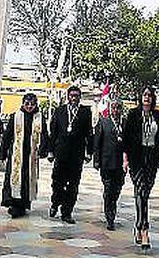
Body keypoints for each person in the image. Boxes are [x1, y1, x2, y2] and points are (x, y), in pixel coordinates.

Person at [121, 86, 159, 249]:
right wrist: (125, 159)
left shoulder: (158, 115)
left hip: (152, 158)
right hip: (136, 158)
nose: (147, 97)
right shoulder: (133, 114)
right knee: (141, 191)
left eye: (150, 95)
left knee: (144, 193)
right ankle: (144, 229)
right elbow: (126, 138)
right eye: (144, 95)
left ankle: (138, 225)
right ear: (140, 97)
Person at [0, 93, 50, 218]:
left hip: (31, 155)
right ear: (23, 103)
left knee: (27, 178)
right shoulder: (15, 116)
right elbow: (7, 135)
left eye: (32, 104)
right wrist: (3, 152)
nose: (29, 106)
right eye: (27, 103)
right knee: (14, 178)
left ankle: (23, 205)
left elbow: (44, 134)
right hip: (16, 154)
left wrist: (43, 149)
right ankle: (13, 204)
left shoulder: (39, 118)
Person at [47, 85, 93, 224]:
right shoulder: (60, 110)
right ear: (68, 97)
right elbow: (53, 132)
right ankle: (55, 203)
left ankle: (67, 212)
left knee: (73, 184)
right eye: (72, 95)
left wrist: (89, 152)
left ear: (80, 97)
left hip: (77, 154)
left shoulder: (85, 112)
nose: (74, 98)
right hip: (61, 153)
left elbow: (89, 133)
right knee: (57, 182)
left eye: (76, 96)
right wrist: (50, 151)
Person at [92, 98, 127, 230]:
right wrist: (96, 160)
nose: (116, 110)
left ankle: (112, 206)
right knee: (108, 189)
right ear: (110, 109)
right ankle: (110, 217)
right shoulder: (104, 122)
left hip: (121, 164)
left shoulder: (125, 123)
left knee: (117, 189)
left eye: (118, 108)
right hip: (106, 162)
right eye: (113, 107)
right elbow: (97, 142)